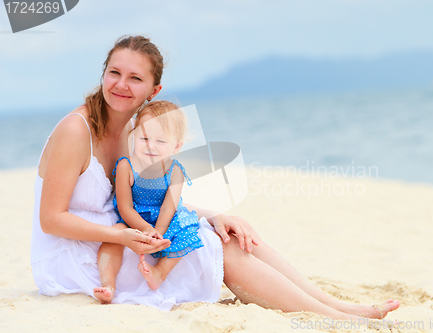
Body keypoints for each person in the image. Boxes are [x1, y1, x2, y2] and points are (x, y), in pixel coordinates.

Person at [32, 35, 400, 319]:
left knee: (228, 233)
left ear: (153, 91)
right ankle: (331, 317)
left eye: (135, 78)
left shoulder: (136, 130)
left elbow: (152, 194)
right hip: (81, 253)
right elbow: (51, 220)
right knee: (213, 247)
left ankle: (334, 305)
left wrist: (214, 214)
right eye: (114, 72)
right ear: (103, 73)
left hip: (126, 233)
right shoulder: (76, 130)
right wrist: (121, 235)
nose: (121, 85)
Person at [95, 100, 204, 301]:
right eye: (144, 138)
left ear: (176, 145)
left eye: (160, 141)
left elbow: (168, 209)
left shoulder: (175, 171)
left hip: (163, 220)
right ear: (134, 135)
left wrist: (158, 233)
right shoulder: (125, 166)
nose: (151, 146)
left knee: (187, 228)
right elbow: (125, 207)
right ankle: (107, 284)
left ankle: (159, 273)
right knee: (114, 236)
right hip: (133, 219)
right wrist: (145, 229)